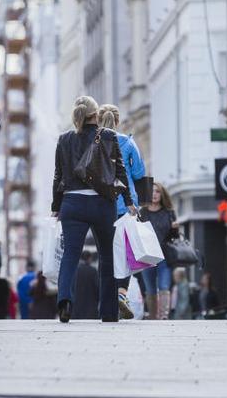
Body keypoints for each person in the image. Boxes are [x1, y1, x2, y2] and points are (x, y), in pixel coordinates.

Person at [51, 96, 136, 324]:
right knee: (107, 256)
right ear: (96, 115)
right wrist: (128, 201)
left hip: (72, 204)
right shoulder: (107, 136)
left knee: (70, 254)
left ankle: (65, 301)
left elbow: (58, 175)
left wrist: (56, 207)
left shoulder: (64, 139)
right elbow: (120, 172)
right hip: (102, 204)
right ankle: (108, 312)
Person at [97, 104, 146, 320]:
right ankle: (122, 293)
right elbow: (139, 173)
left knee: (106, 253)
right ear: (117, 121)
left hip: (100, 204)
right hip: (125, 206)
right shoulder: (127, 142)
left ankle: (106, 298)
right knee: (125, 252)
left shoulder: (93, 142)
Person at [138, 182, 180, 320]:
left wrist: (175, 229)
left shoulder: (169, 212)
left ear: (162, 195)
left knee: (163, 286)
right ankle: (153, 316)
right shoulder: (142, 212)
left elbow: (175, 238)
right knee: (150, 289)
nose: (154, 194)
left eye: (157, 191)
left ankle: (163, 316)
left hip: (164, 255)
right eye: (152, 191)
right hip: (147, 256)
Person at [72, 251, 100, 319]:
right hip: (90, 306)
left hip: (76, 307)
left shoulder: (75, 270)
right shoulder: (93, 271)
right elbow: (97, 288)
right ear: (89, 258)